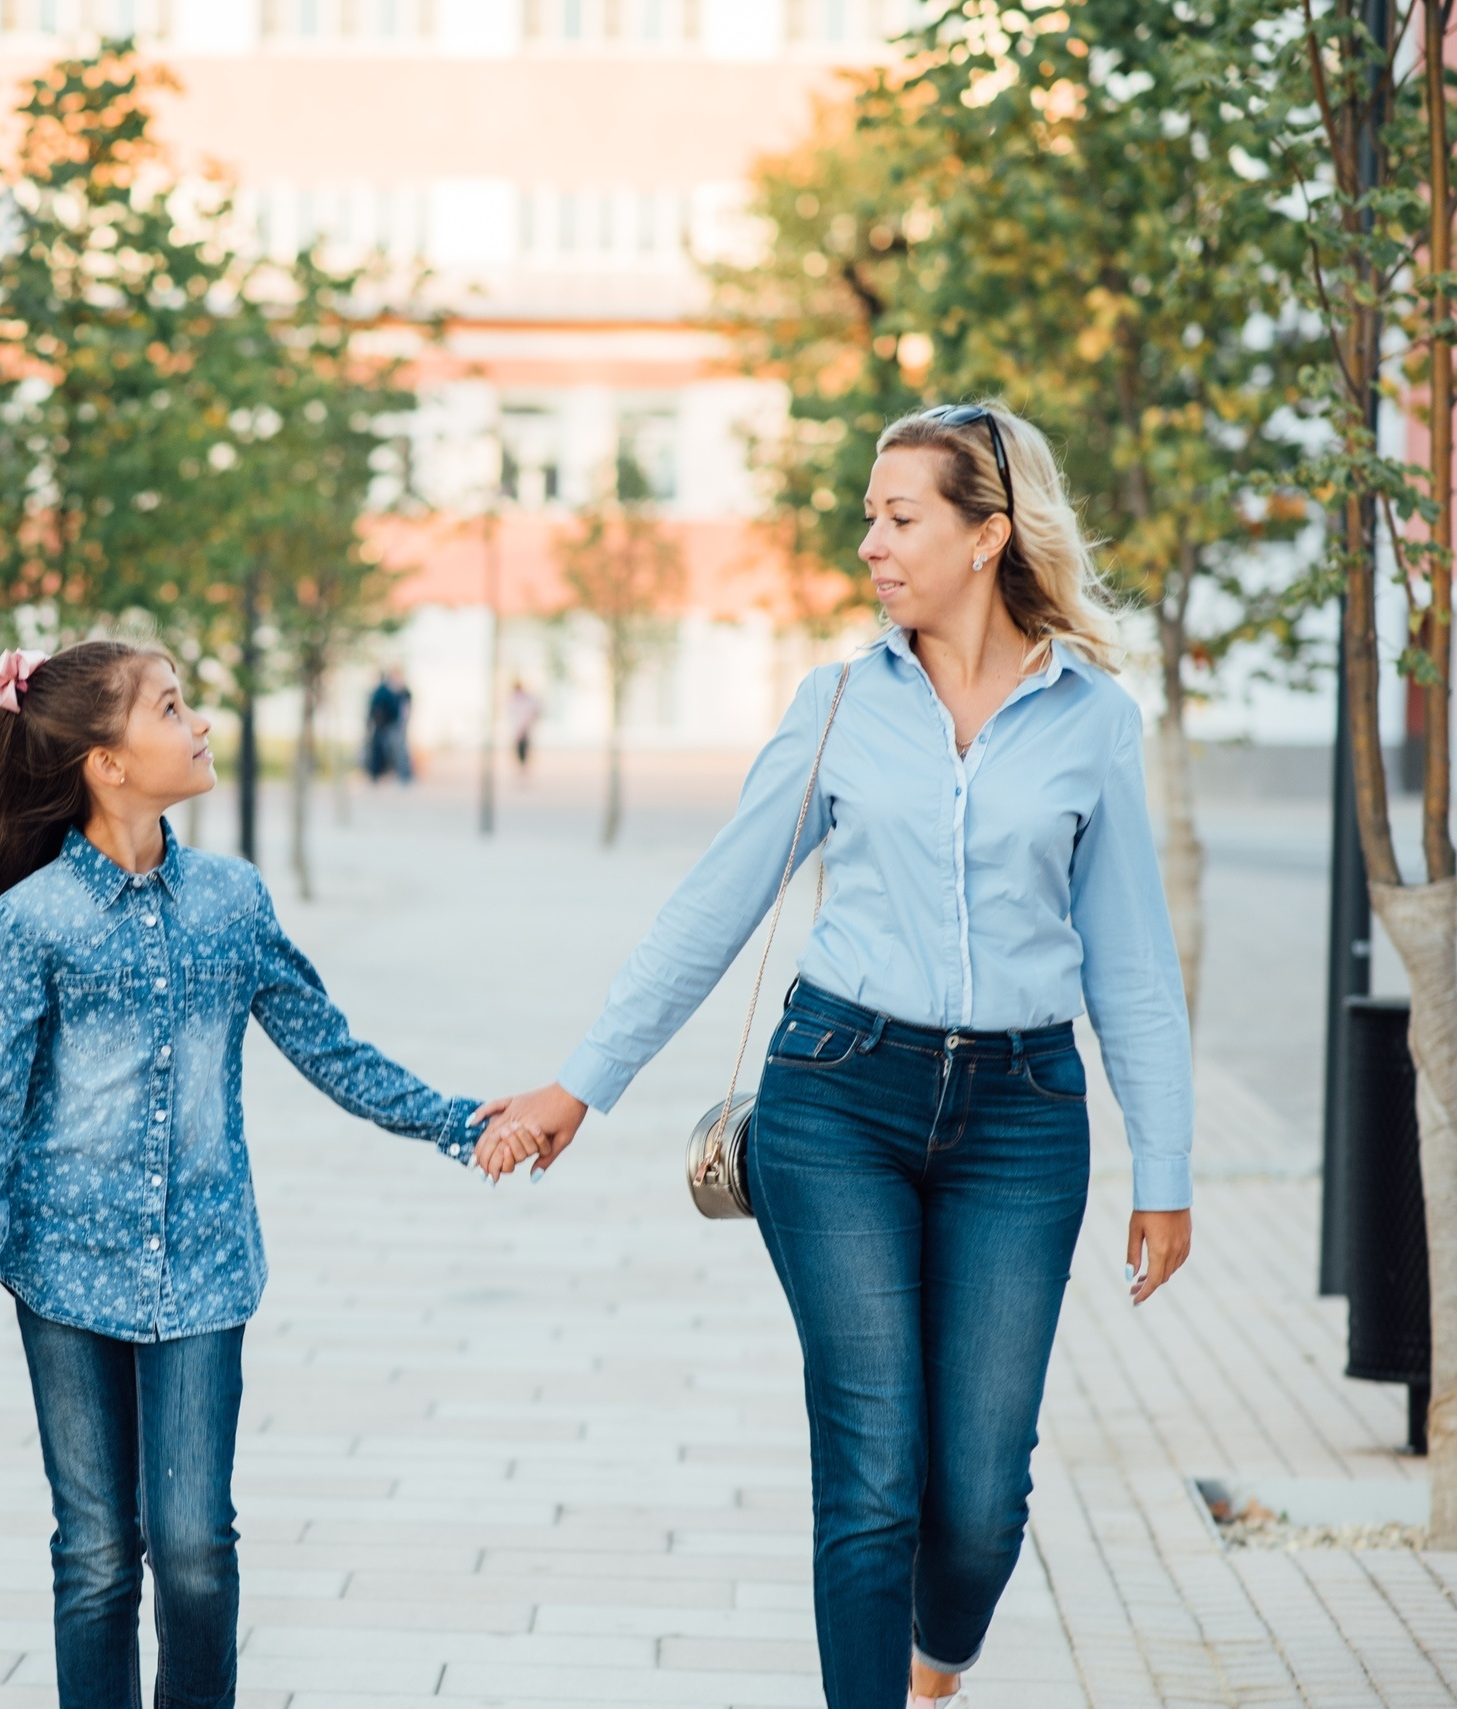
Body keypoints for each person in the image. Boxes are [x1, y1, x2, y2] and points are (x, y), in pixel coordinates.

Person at [475, 403, 1192, 1709]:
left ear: (987, 534)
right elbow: (715, 904)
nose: (870, 543)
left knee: (979, 1496)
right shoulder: (841, 704)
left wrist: (1167, 1167)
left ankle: (938, 1658)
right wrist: (584, 1083)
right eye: (870, 515)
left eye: (899, 517)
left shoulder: (1091, 719)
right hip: (838, 1099)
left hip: (1023, 1117)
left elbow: (1132, 963)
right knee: (872, 1469)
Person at [0, 639, 492, 1709]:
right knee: (96, 1550)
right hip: (63, 1272)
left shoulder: (230, 901)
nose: (199, 724)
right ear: (107, 762)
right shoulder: (33, 922)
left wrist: (457, 1122)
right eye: (172, 707)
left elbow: (326, 1044)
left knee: (193, 1545)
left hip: (203, 1270)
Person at [364, 666, 413, 785]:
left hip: (394, 725)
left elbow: (406, 708)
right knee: (378, 751)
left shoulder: (403, 690)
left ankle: (404, 777)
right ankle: (376, 776)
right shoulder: (382, 690)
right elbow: (374, 707)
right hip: (381, 725)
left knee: (399, 750)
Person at [506, 678, 540, 772]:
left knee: (523, 746)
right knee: (521, 746)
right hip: (520, 725)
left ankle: (523, 765)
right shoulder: (517, 698)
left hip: (523, 725)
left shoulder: (523, 698)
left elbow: (531, 710)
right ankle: (522, 765)